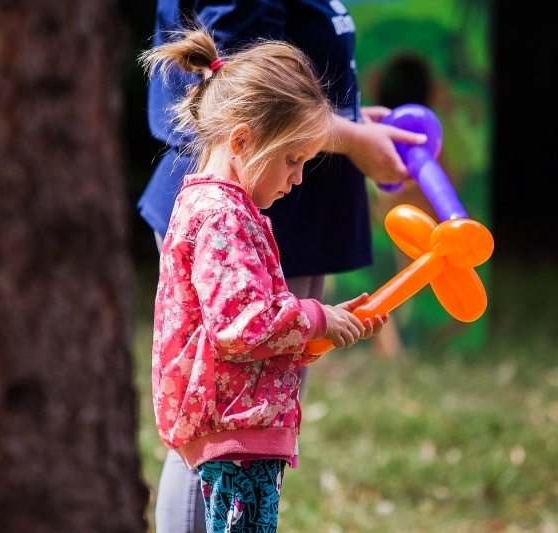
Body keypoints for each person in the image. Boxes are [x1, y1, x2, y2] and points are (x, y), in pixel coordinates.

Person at [138, 2, 427, 532]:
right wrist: (316, 319)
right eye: (293, 160)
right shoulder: (223, 221)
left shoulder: (233, 207)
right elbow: (241, 325)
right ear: (243, 139)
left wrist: (351, 117)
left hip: (244, 432)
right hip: (230, 438)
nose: (297, 178)